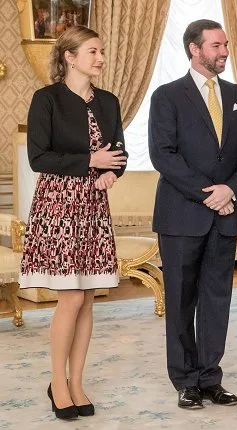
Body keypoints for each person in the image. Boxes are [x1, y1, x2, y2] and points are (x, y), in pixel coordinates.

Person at [148, 19, 237, 410]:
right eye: (216, 45)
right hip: (182, 215)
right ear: (195, 49)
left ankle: (210, 377)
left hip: (226, 213)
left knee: (217, 298)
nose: (225, 51)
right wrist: (209, 195)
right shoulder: (167, 96)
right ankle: (185, 380)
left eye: (225, 44)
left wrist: (231, 189)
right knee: (181, 299)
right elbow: (163, 155)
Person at [20, 25, 128, 420]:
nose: (100, 58)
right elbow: (39, 158)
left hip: (94, 207)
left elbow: (118, 151)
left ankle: (77, 381)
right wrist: (90, 162)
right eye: (92, 51)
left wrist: (112, 171)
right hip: (58, 206)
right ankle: (58, 382)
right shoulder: (45, 99)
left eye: (101, 51)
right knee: (70, 297)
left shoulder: (110, 101)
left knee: (87, 299)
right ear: (69, 56)